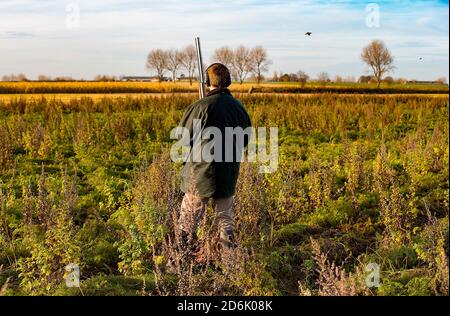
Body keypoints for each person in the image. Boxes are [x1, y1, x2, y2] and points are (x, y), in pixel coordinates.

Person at [177, 63, 251, 251]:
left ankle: (178, 262)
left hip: (200, 174)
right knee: (225, 219)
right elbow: (244, 139)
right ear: (228, 81)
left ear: (208, 81)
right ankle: (230, 264)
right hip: (227, 174)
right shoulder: (239, 107)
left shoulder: (200, 106)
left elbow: (183, 138)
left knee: (188, 219)